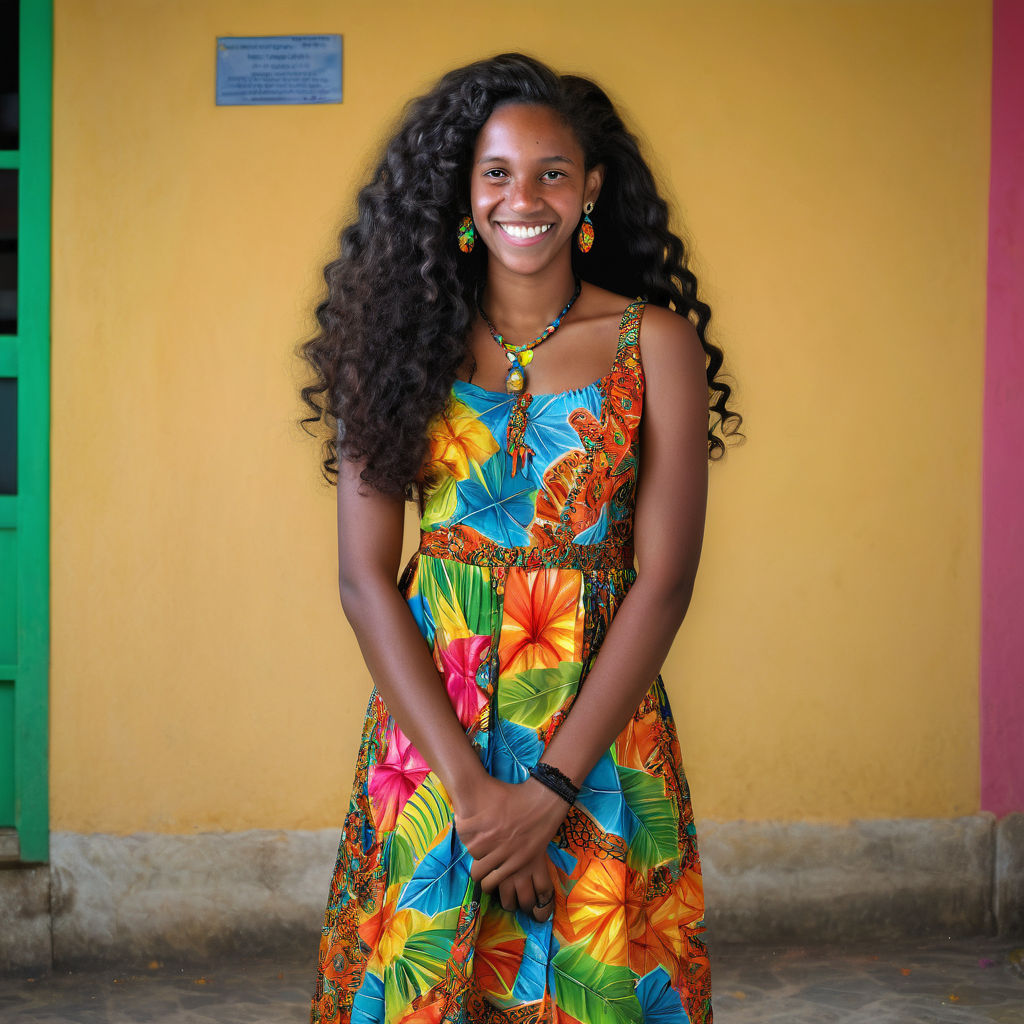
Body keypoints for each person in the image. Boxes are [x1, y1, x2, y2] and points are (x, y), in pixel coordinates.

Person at [299, 52, 742, 1024]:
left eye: (551, 172)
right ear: (464, 190)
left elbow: (663, 581)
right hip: (435, 741)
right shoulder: (396, 337)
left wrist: (548, 788)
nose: (523, 196)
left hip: (600, 738)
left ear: (590, 188)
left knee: (595, 992)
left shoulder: (652, 343)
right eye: (497, 172)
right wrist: (475, 797)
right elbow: (365, 580)